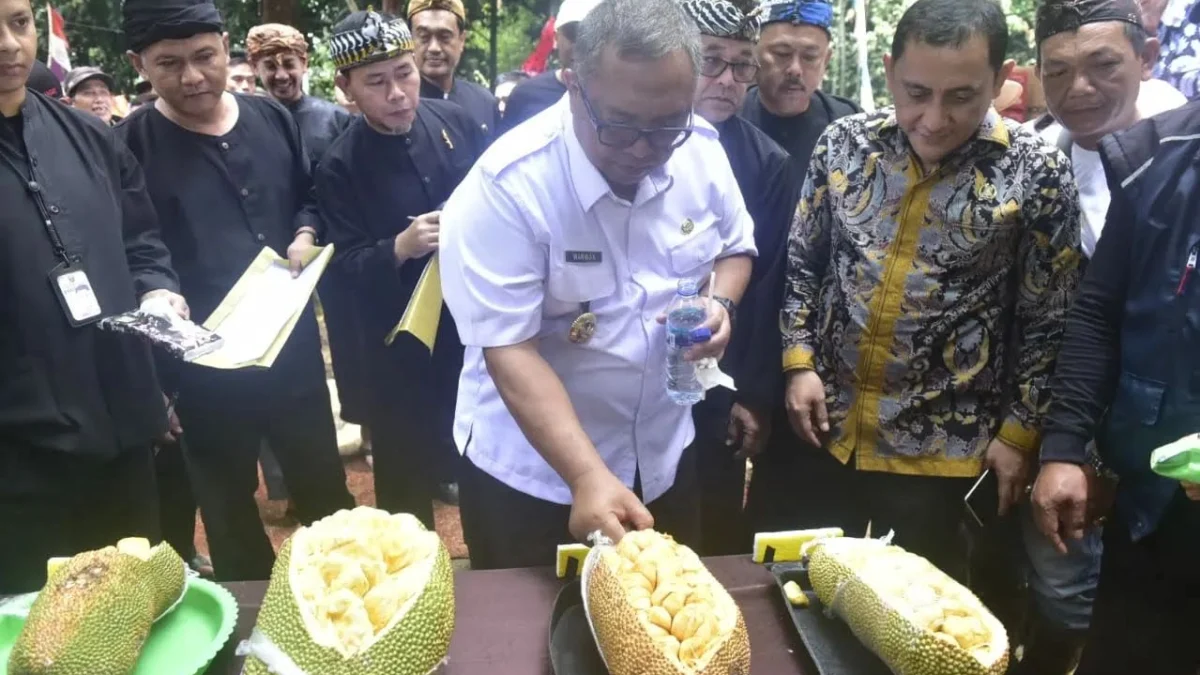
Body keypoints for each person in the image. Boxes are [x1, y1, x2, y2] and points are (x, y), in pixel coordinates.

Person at [441, 0, 756, 570]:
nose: (643, 150)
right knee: (530, 641)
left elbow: (735, 246)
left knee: (659, 623)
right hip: (536, 477)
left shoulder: (702, 152)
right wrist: (586, 475)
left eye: (666, 127)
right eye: (620, 126)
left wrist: (720, 302)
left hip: (662, 454)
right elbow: (508, 348)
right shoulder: (507, 187)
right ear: (572, 84)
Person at [777, 0, 1083, 581]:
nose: (934, 118)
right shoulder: (844, 145)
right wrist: (798, 363)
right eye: (916, 92)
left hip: (946, 452)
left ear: (1000, 80)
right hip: (823, 430)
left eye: (962, 96)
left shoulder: (1038, 171)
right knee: (801, 603)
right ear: (890, 72)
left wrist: (1019, 434)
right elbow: (802, 263)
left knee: (922, 625)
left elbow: (1050, 317)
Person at [118, 0, 354, 582]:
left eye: (205, 56)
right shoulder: (128, 145)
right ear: (139, 64)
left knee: (323, 482)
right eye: (169, 63)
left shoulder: (270, 117)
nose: (192, 76)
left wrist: (304, 230)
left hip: (290, 348)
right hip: (203, 367)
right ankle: (251, 624)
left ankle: (350, 594)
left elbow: (309, 194)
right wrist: (157, 293)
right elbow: (133, 243)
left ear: (227, 47)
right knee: (226, 503)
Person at [1014, 3, 1182, 672]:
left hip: (1167, 444)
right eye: (1057, 71)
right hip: (1063, 427)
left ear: (1147, 58)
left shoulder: (1177, 157)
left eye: (1103, 65)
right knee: (1069, 593)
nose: (1079, 90)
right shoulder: (1038, 157)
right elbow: (1081, 314)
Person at [0, 0, 188, 593]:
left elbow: (140, 238)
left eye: (19, 22)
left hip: (122, 429)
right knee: (38, 629)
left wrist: (159, 291)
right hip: (20, 454)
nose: (8, 44)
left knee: (133, 607)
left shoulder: (87, 134)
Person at [317, 9, 484, 530]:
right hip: (395, 346)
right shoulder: (338, 163)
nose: (397, 94)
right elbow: (339, 270)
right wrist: (399, 247)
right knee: (404, 488)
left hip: (468, 327)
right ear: (346, 87)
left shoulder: (453, 121)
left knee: (477, 461)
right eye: (377, 82)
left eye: (404, 74)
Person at [673, 0, 800, 556]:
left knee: (710, 520)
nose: (727, 80)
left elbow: (772, 281)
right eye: (712, 61)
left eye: (742, 65)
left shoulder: (766, 161)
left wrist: (752, 394)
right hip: (633, 364)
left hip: (719, 374)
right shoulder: (633, 138)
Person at [741, 0, 859, 173]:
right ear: (754, 53)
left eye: (809, 57)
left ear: (826, 60)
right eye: (782, 54)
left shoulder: (850, 126)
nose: (795, 69)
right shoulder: (725, 121)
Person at [247, 23, 353, 167]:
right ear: (255, 68)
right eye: (270, 67)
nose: (281, 75)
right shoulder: (246, 123)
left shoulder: (335, 119)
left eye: (289, 65)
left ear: (304, 64)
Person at [498, 0, 602, 134]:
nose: (580, 45)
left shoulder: (620, 97)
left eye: (591, 36)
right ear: (556, 38)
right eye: (573, 34)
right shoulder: (526, 95)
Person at [408, 0, 496, 140]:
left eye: (444, 37)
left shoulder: (483, 102)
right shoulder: (399, 106)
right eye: (424, 37)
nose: (434, 48)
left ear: (462, 40)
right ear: (410, 41)